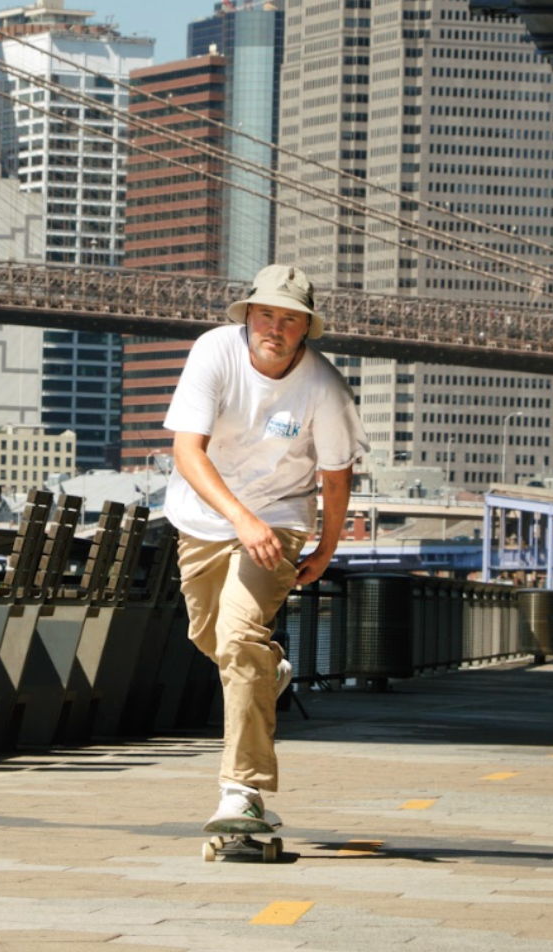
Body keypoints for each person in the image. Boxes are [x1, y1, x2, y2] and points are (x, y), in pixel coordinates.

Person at [161, 264, 366, 831]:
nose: (275, 327)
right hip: (204, 516)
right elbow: (187, 452)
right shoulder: (214, 352)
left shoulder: (324, 388)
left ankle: (241, 789)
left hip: (278, 519)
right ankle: (269, 671)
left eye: (291, 319)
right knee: (210, 636)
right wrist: (239, 519)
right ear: (249, 315)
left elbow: (335, 476)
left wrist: (325, 548)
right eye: (267, 314)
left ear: (306, 330)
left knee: (239, 636)